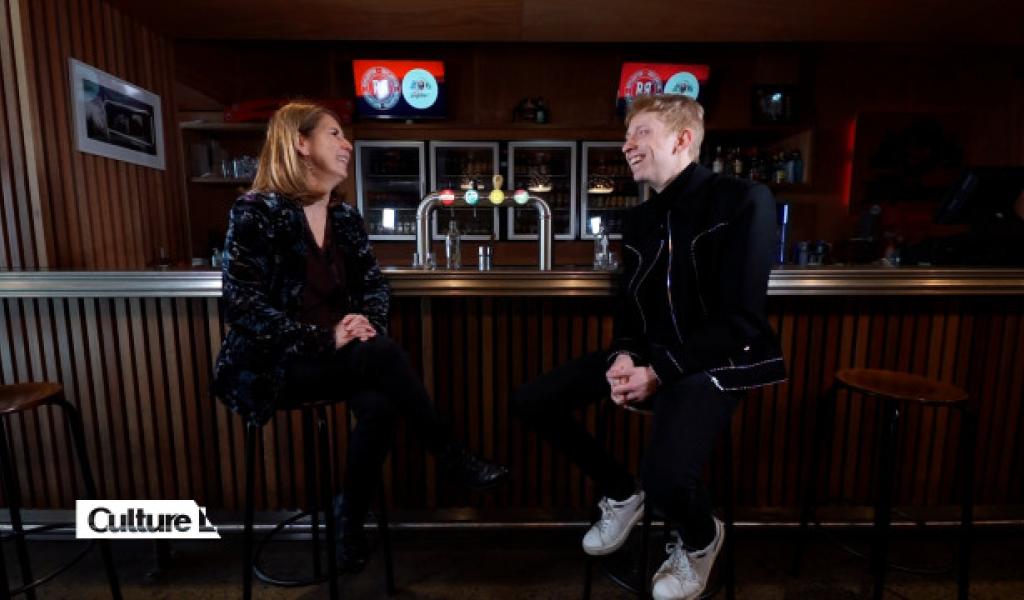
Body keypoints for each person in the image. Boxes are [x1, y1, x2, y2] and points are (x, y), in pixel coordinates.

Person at [213, 101, 508, 572]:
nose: (347, 144)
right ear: (300, 143)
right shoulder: (256, 211)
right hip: (273, 364)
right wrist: (326, 337)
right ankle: (449, 455)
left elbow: (373, 285)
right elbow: (242, 309)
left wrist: (365, 323)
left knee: (382, 401)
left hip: (341, 356)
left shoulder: (344, 216)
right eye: (334, 134)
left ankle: (348, 519)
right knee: (384, 358)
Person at [513, 94, 785, 600]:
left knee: (665, 477)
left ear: (683, 139)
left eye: (641, 133)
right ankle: (621, 494)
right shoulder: (639, 220)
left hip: (719, 361)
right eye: (628, 134)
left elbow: (742, 320)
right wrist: (623, 354)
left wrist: (659, 368)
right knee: (532, 400)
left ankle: (702, 540)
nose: (627, 144)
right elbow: (632, 313)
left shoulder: (745, 198)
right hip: (655, 357)